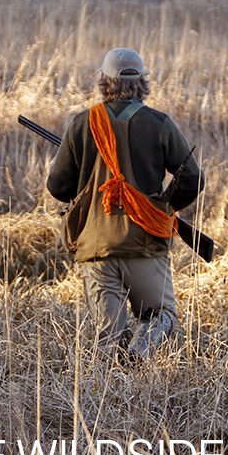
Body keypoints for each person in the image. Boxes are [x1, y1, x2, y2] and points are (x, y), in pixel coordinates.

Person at [47, 48, 204, 360]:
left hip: (97, 246)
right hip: (145, 243)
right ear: (142, 82)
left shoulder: (82, 124)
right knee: (161, 316)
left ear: (105, 82)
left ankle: (107, 401)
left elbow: (57, 186)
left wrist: (87, 187)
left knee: (108, 340)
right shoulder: (159, 123)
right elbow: (193, 178)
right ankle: (144, 347)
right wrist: (162, 207)